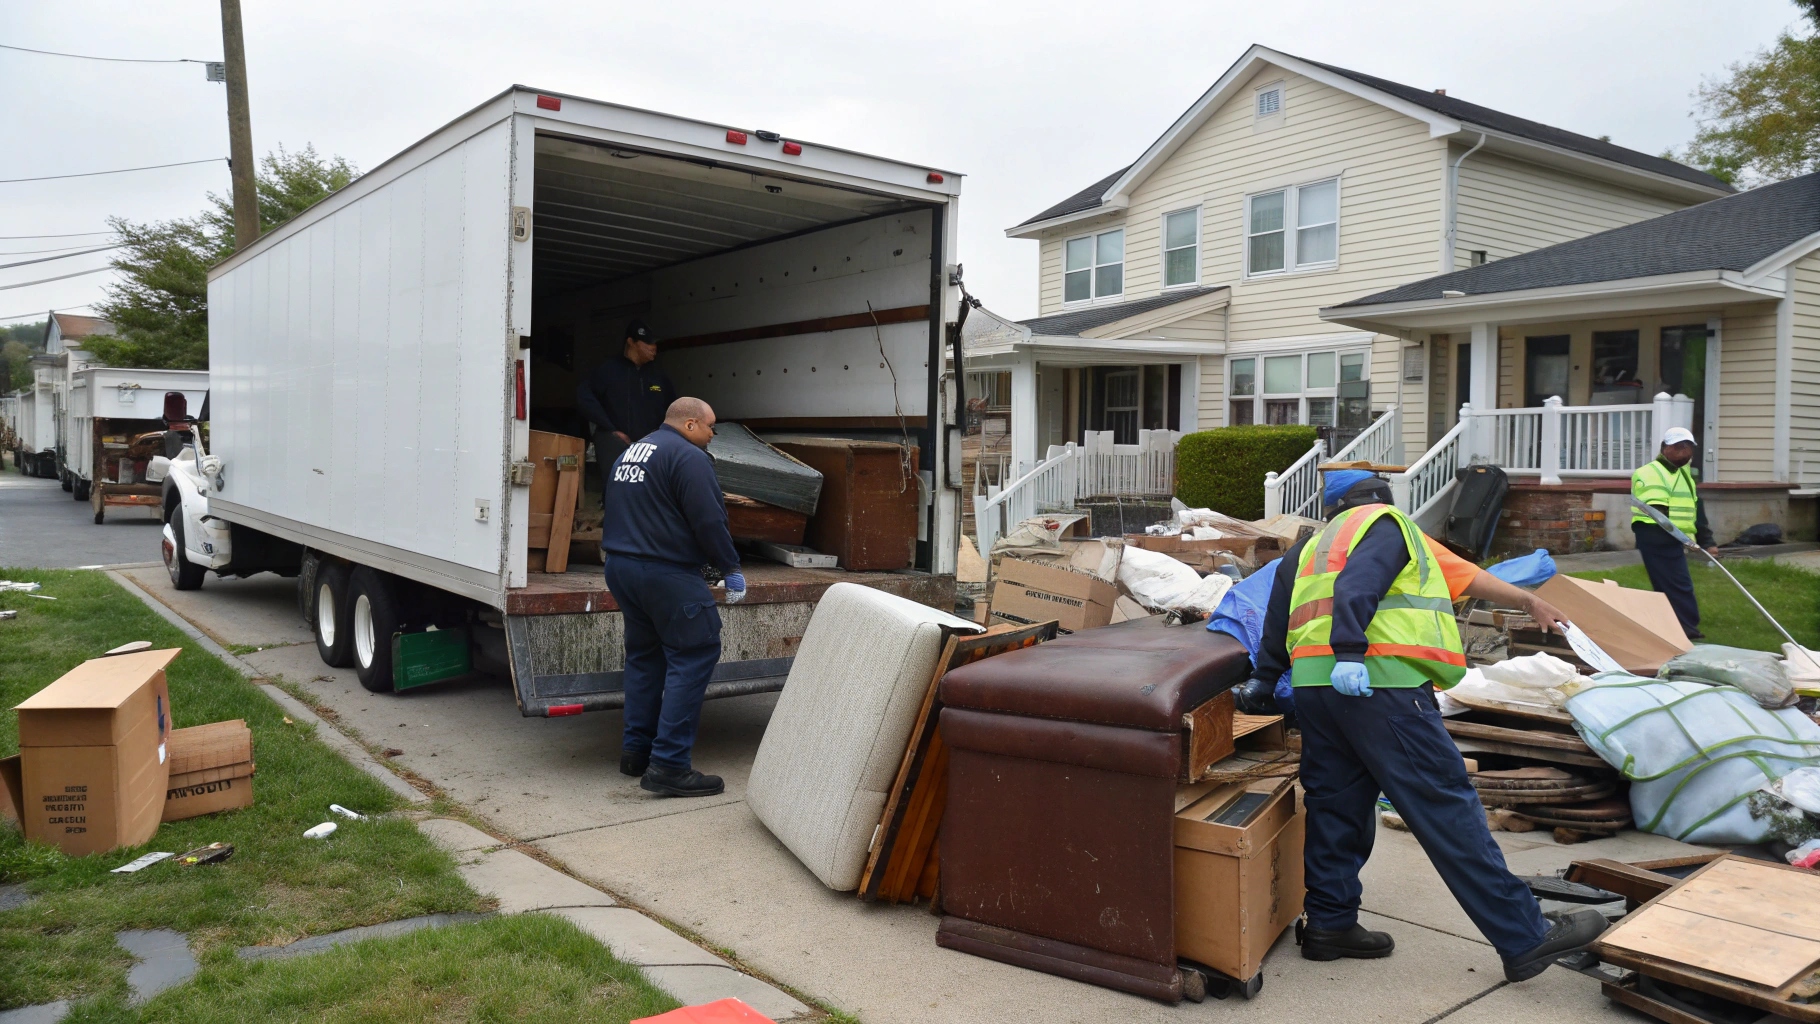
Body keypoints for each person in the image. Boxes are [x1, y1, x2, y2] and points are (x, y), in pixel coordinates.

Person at [1245, 476, 1607, 983]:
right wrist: (1350, 651)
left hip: (1317, 692)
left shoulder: (1311, 548)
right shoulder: (1389, 526)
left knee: (1336, 808)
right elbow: (1359, 585)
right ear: (1386, 504)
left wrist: (1265, 677)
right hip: (1379, 685)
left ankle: (1330, 924)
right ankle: (1525, 936)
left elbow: (1279, 613)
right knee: (1444, 806)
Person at [600, 397, 746, 798]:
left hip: (621, 567)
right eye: (712, 427)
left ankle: (636, 752)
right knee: (694, 654)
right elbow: (708, 518)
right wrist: (730, 566)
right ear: (691, 424)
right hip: (665, 572)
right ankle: (669, 765)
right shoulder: (688, 456)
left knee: (646, 658)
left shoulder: (634, 451)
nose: (714, 435)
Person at [1631, 427, 1716, 639]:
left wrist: (1707, 541)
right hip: (1656, 536)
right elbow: (1658, 515)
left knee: (1669, 584)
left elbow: (1697, 509)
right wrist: (1682, 541)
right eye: (1679, 447)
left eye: (1688, 447)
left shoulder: (1684, 475)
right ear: (1665, 448)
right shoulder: (1649, 472)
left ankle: (1673, 627)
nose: (1685, 452)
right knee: (1678, 584)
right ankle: (1686, 629)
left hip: (1674, 539)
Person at [577, 319, 676, 492]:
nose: (654, 348)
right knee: (617, 491)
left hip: (650, 448)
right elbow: (584, 398)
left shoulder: (658, 376)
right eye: (648, 343)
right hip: (616, 446)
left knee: (649, 492)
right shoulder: (608, 370)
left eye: (655, 344)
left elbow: (674, 409)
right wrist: (610, 429)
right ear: (631, 342)